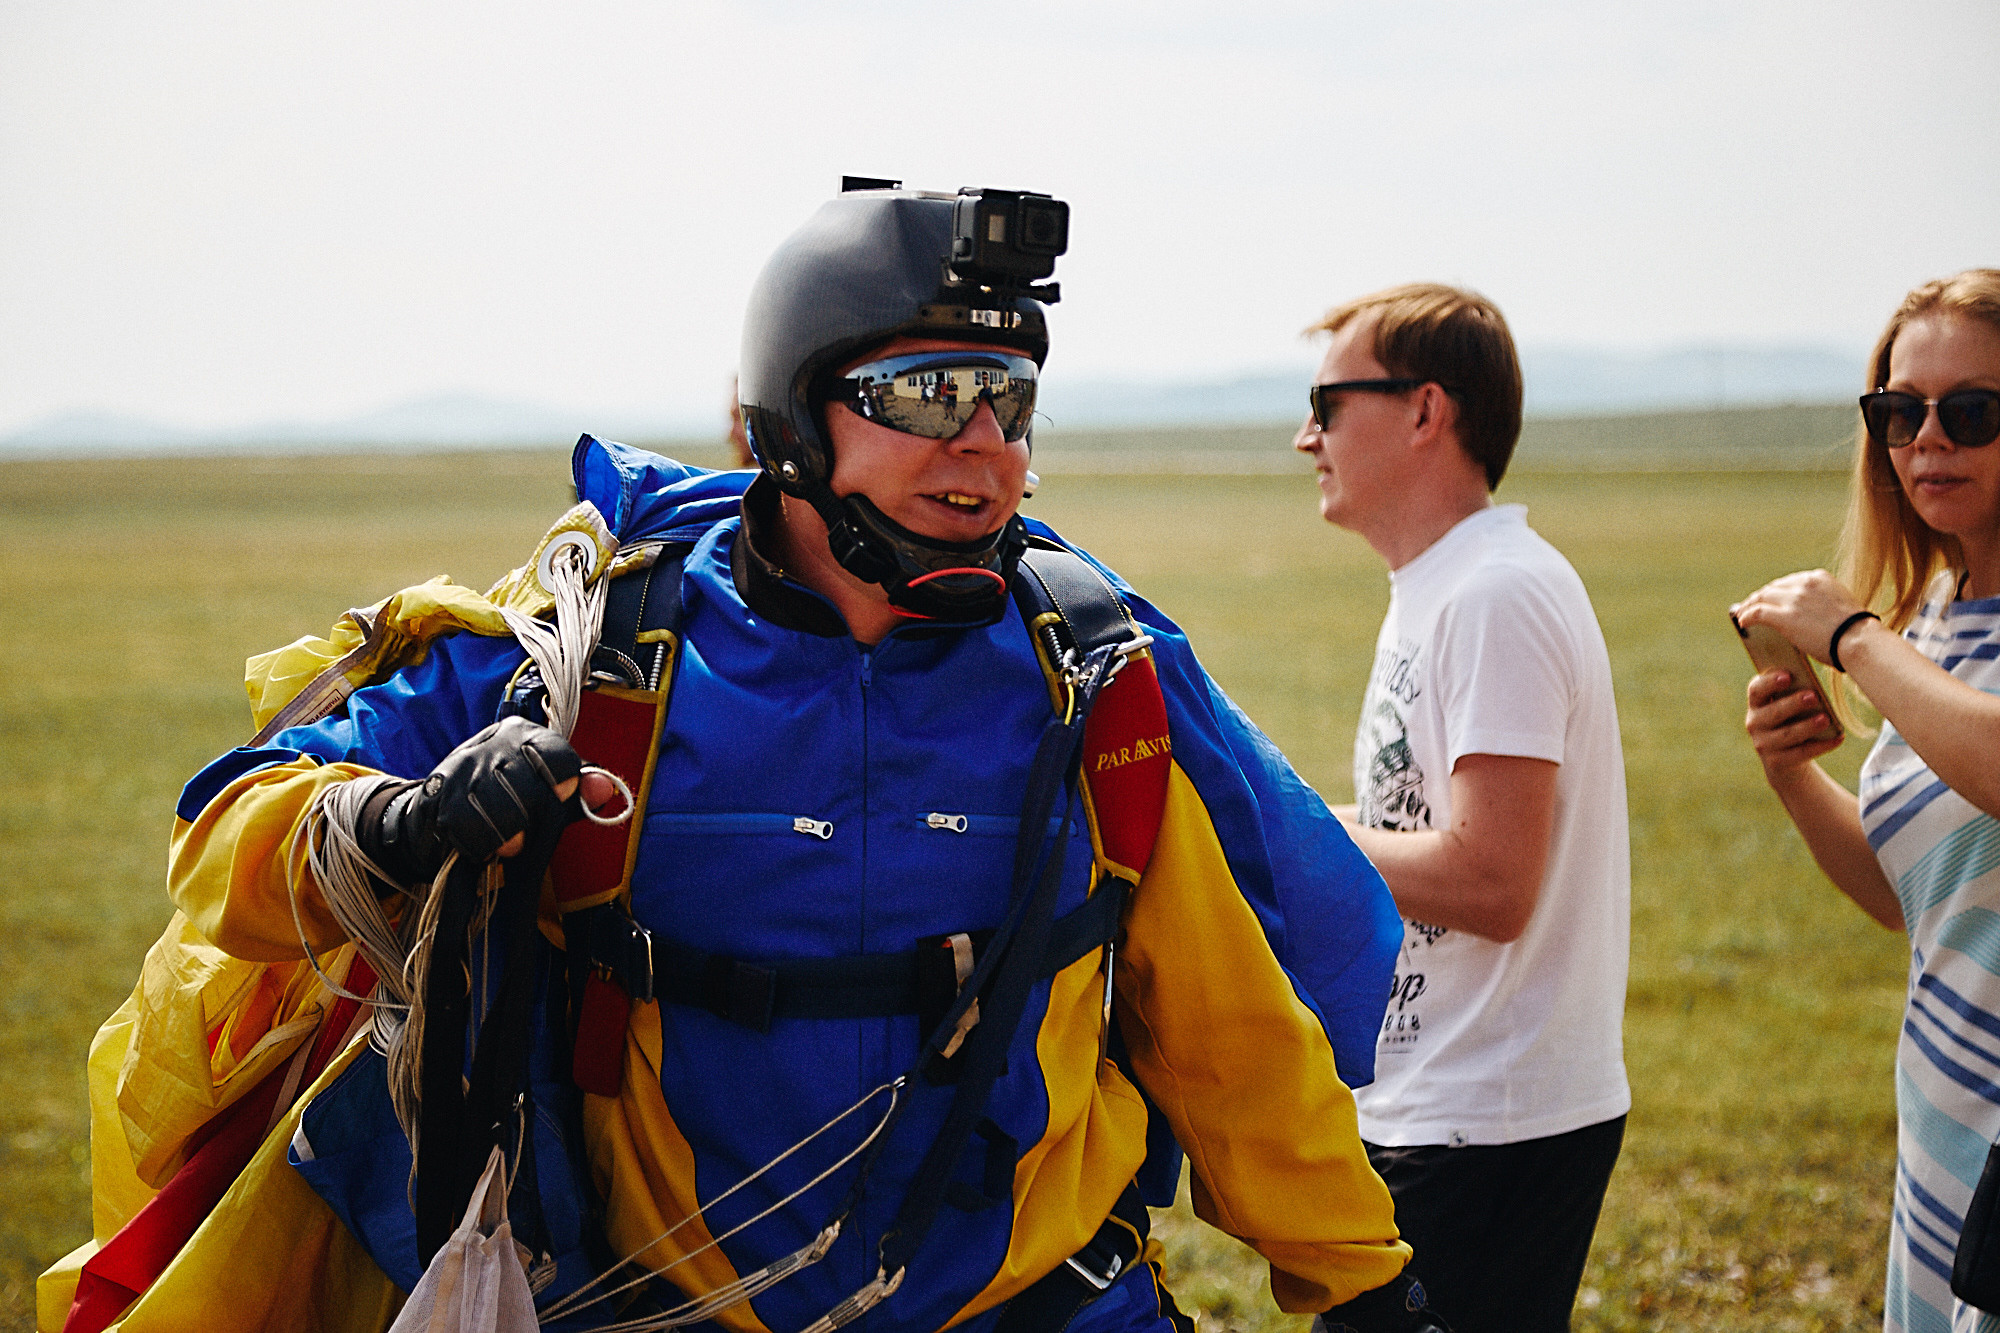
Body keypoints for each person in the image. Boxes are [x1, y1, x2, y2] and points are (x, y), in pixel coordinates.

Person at [51, 186, 1452, 1333]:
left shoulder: (1087, 677)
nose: (987, 447)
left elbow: (1231, 1036)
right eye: (930, 391)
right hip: (657, 1308)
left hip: (1039, 1306)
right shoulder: (595, 651)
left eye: (1011, 403)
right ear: (793, 417)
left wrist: (1364, 1282)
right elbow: (223, 840)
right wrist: (393, 822)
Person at [1292, 284, 1631, 1333]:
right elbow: (1420, 820)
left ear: (1425, 411)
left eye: (1328, 402)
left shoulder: (1493, 593)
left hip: (1486, 1122)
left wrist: (1292, 832)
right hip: (1445, 1104)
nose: (1305, 437)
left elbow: (1491, 880)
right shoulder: (1444, 586)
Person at [1734, 269, 2000, 1333]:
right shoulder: (1936, 613)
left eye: (1969, 411)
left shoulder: (1890, 642)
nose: (1924, 439)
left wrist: (1850, 640)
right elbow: (1910, 898)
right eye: (1897, 412)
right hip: (1945, 1108)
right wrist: (1794, 775)